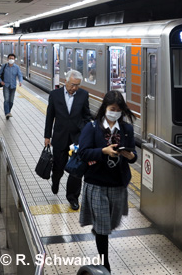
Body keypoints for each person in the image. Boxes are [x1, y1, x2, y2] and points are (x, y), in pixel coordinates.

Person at [78, 90, 137, 273]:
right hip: (96, 183)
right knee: (103, 228)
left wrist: (130, 155)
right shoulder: (92, 127)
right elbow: (83, 153)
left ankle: (99, 230)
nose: (115, 112)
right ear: (105, 108)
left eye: (119, 109)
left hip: (118, 184)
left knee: (109, 224)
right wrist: (103, 151)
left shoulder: (126, 129)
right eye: (112, 108)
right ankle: (105, 264)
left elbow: (133, 156)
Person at [44, 70, 91, 210]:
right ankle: (55, 180)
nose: (74, 88)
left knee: (76, 169)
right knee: (58, 166)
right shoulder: (55, 95)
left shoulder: (83, 95)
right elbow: (50, 116)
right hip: (59, 137)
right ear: (66, 81)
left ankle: (73, 197)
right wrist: (47, 136)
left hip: (77, 139)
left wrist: (86, 133)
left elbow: (86, 116)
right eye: (72, 85)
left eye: (77, 85)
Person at [0, 53, 23, 119]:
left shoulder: (16, 67)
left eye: (12, 58)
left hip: (13, 86)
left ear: (14, 59)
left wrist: (20, 81)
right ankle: (7, 113)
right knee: (6, 100)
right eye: (10, 58)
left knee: (11, 101)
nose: (11, 60)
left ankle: (8, 111)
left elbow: (20, 75)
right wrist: (1, 81)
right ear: (7, 59)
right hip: (6, 85)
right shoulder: (4, 66)